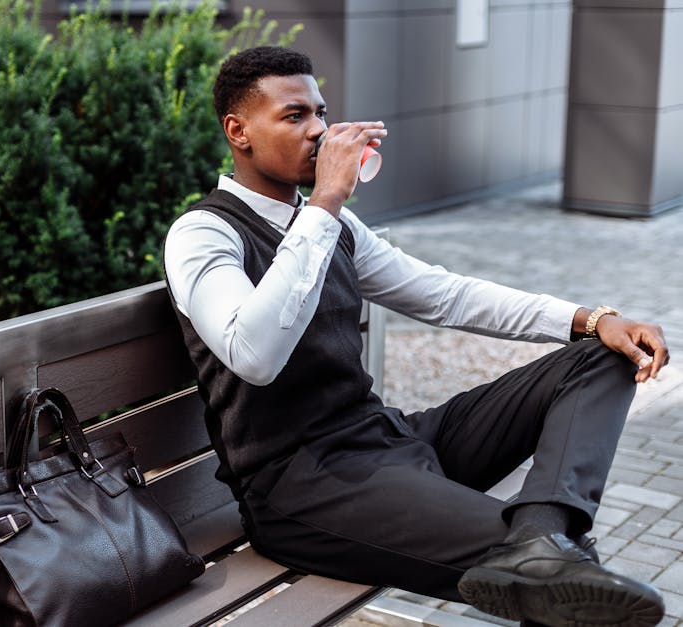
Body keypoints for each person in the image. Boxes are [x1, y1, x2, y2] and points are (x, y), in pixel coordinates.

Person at [163, 46, 671, 627]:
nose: (320, 131)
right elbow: (253, 356)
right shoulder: (203, 234)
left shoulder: (332, 226)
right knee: (557, 577)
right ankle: (540, 551)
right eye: (294, 116)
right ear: (239, 131)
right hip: (302, 487)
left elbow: (444, 294)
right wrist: (325, 202)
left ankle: (542, 529)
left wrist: (590, 319)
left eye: (321, 113)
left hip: (386, 439)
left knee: (598, 360)